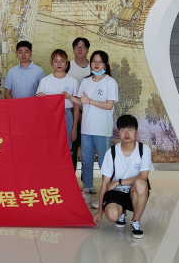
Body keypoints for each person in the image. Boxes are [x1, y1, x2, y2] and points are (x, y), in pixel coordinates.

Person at [66, 50, 118, 205]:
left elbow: (109, 105)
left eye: (100, 62)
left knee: (103, 163)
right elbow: (81, 101)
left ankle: (106, 194)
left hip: (102, 129)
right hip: (86, 128)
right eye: (94, 61)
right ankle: (87, 189)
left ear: (105, 64)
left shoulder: (110, 82)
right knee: (86, 161)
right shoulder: (86, 81)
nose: (96, 64)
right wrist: (70, 97)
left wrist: (90, 101)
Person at [94, 114, 153, 239]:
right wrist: (99, 210)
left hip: (134, 191)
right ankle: (121, 212)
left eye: (130, 129)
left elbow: (143, 177)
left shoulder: (144, 149)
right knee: (112, 214)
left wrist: (118, 182)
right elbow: (105, 183)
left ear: (136, 132)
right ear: (118, 132)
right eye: (123, 129)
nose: (127, 133)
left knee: (141, 184)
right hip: (116, 192)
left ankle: (135, 221)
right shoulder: (111, 152)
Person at [36, 49, 79, 162]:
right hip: (49, 117)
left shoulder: (73, 81)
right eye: (56, 61)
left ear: (66, 63)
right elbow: (39, 106)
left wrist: (74, 128)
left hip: (66, 115)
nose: (59, 64)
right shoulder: (45, 81)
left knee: (66, 148)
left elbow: (76, 107)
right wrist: (39, 98)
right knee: (50, 146)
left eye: (62, 61)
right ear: (51, 63)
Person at [66, 38, 91, 180]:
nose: (79, 49)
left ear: (87, 49)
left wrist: (85, 113)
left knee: (87, 150)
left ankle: (87, 182)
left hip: (91, 115)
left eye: (82, 47)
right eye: (76, 47)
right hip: (72, 115)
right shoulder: (67, 66)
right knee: (72, 149)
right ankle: (72, 181)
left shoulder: (94, 67)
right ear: (73, 50)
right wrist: (77, 114)